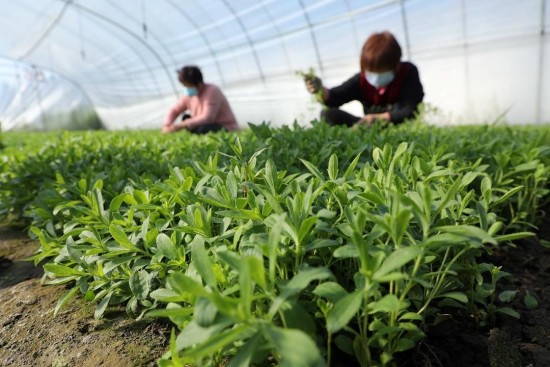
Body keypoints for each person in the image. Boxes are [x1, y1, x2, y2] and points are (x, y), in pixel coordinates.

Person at [304, 31, 424, 127]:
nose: (376, 77)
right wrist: (319, 90)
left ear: (396, 66)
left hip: (397, 125)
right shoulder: (362, 81)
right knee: (328, 114)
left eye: (381, 71)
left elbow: (411, 110)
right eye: (371, 72)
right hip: (367, 126)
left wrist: (378, 119)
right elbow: (335, 97)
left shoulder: (407, 72)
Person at [162, 65, 239, 134]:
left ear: (199, 84)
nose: (187, 89)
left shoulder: (212, 90)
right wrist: (167, 125)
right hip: (205, 125)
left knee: (203, 128)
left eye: (189, 86)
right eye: (184, 86)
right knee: (186, 117)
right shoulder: (188, 96)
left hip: (224, 126)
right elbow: (174, 110)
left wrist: (182, 125)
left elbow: (208, 118)